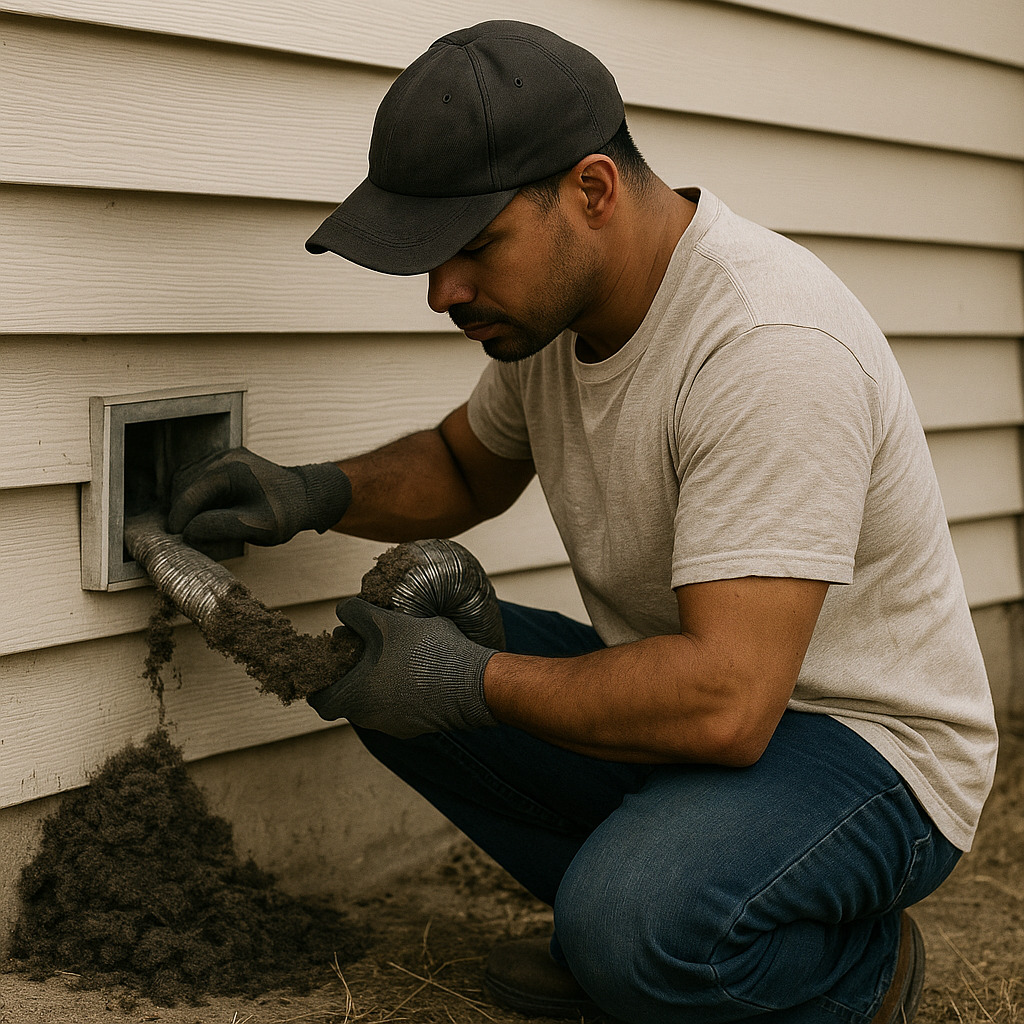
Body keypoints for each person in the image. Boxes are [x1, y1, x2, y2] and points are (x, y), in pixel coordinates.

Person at [167, 20, 998, 1024]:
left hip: (865, 751)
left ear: (591, 191)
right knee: (388, 646)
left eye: (475, 248)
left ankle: (842, 968)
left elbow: (727, 705)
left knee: (630, 922)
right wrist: (311, 493)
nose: (443, 293)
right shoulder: (561, 320)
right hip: (711, 706)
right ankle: (651, 917)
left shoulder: (768, 347)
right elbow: (463, 464)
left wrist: (467, 682)